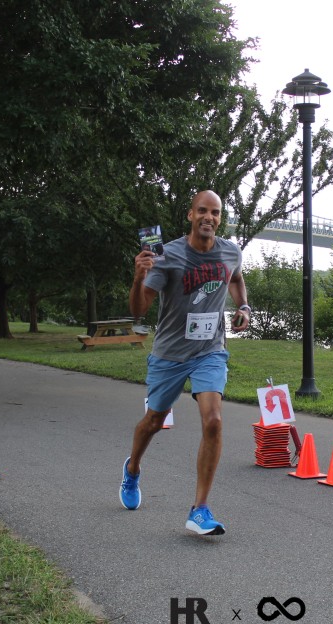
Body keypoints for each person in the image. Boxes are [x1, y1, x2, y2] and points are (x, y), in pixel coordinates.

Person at [121, 190, 250, 536]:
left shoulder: (231, 252)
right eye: (202, 211)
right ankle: (132, 470)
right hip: (170, 354)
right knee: (153, 421)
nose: (209, 217)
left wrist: (243, 307)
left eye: (215, 213)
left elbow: (236, 278)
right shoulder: (168, 256)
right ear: (191, 215)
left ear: (220, 218)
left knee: (214, 421)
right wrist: (138, 277)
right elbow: (139, 309)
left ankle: (200, 509)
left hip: (210, 351)